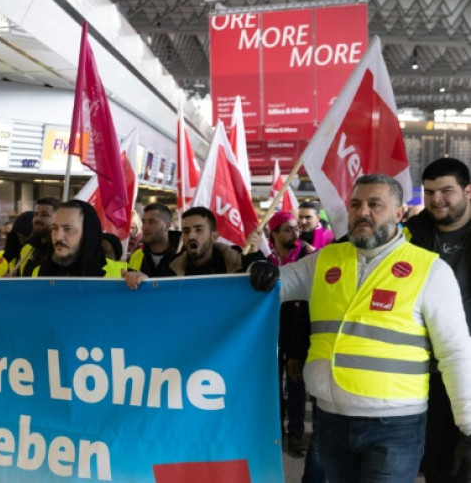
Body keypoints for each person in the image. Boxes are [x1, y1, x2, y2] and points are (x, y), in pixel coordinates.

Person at [249, 174, 471, 483]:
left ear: (399, 213)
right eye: (355, 204)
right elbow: (274, 284)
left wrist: (467, 423)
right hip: (331, 420)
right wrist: (257, 267)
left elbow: (455, 352)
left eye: (375, 204)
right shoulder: (324, 260)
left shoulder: (431, 270)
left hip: (395, 425)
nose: (362, 212)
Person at [405, 157, 471, 483]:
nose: (437, 199)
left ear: (467, 192)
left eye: (446, 191)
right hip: (428, 368)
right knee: (438, 463)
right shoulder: (410, 233)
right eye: (429, 192)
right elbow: (351, 249)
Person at [266, 211, 314, 458]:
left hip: (298, 331)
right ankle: (275, 432)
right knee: (271, 385)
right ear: (274, 234)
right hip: (270, 331)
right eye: (288, 229)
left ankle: (296, 434)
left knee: (296, 384)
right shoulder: (266, 259)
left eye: (296, 228)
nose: (295, 232)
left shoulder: (309, 256)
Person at [126, 207, 262, 288]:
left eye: (199, 230)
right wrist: (146, 282)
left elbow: (264, 280)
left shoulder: (240, 263)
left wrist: (257, 259)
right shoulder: (169, 267)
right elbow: (159, 295)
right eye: (186, 231)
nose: (191, 236)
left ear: (214, 236)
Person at [32, 200, 123, 278]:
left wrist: (131, 283)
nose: (58, 237)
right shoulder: (39, 273)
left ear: (88, 234)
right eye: (55, 228)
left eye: (68, 229)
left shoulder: (120, 274)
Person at [127, 203, 180, 277]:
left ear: (167, 226)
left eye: (151, 222)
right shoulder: (136, 255)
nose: (145, 227)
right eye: (143, 222)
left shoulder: (183, 255)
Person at [15, 197, 60, 277]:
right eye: (35, 214)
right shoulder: (27, 248)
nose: (37, 219)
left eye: (44, 215)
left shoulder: (62, 253)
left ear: (58, 219)